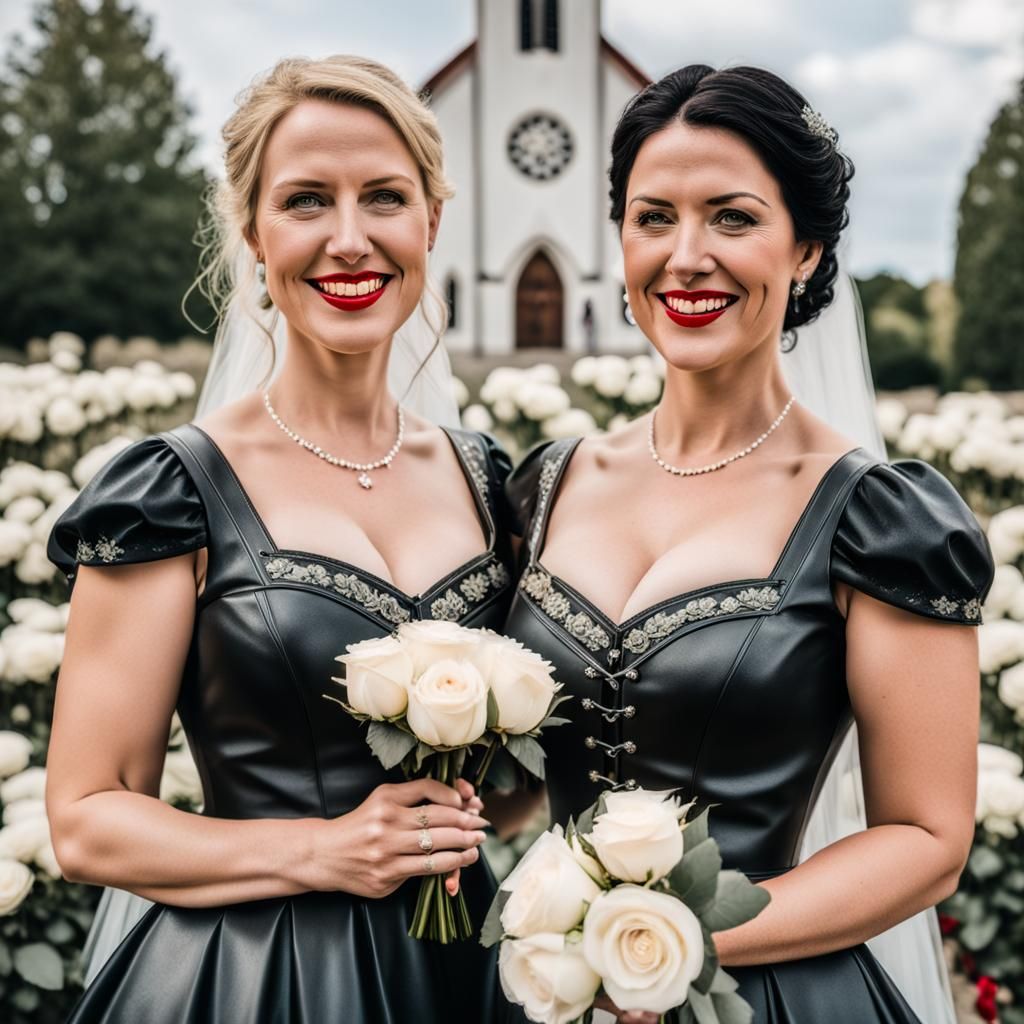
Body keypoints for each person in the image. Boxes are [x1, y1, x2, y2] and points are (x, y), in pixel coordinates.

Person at [503, 65, 993, 1024]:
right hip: (544, 993)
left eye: (732, 218)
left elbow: (927, 835)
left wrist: (673, 944)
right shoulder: (544, 486)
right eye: (654, 218)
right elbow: (515, 785)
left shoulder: (881, 517)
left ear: (806, 247)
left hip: (768, 988)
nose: (686, 256)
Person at [45, 55, 522, 1023]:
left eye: (383, 198)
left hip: (463, 972)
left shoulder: (493, 482)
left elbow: (517, 784)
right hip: (255, 977)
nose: (349, 239)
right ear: (253, 231)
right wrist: (319, 847)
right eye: (307, 201)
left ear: (430, 221)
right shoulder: (170, 491)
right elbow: (89, 821)